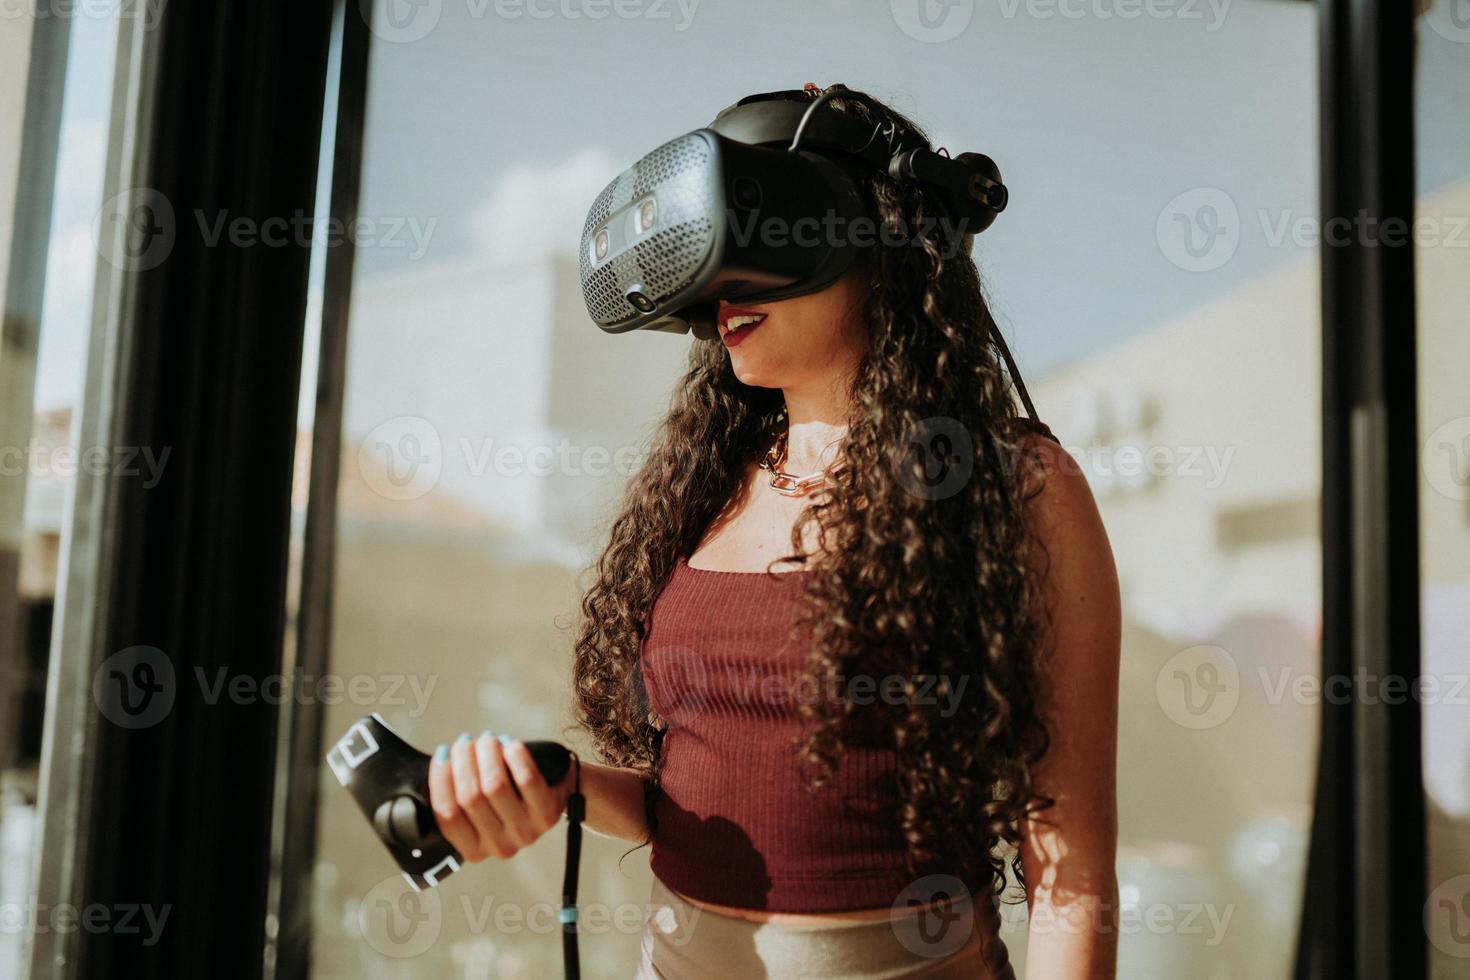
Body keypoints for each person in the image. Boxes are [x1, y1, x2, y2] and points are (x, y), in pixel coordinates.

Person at [428, 85, 1121, 979]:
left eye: (761, 229)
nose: (721, 288)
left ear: (877, 236)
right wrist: (556, 784)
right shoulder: (705, 487)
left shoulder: (1013, 485)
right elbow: (708, 796)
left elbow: (1071, 874)